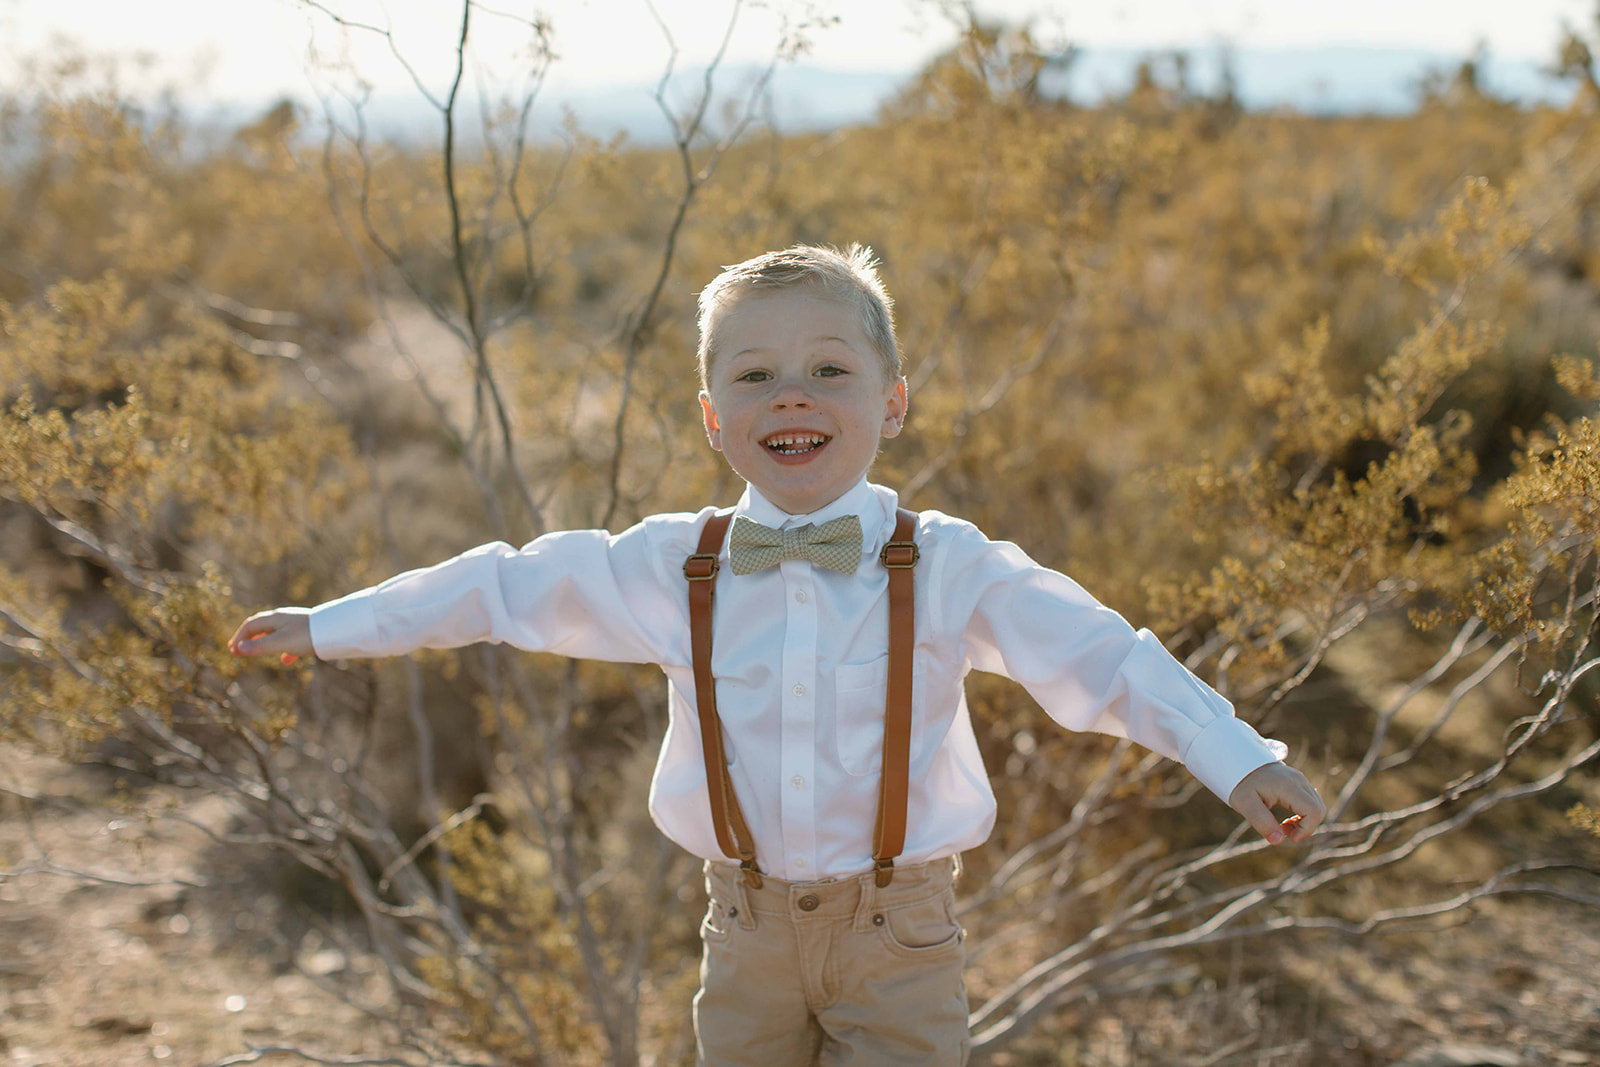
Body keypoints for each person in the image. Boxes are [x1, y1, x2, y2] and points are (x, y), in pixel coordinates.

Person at [229, 244, 1325, 1064]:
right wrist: (332, 623)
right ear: (714, 418)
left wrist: (1235, 755)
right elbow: (505, 584)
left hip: (901, 932)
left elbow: (1103, 657)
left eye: (828, 368)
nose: (792, 394)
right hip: (743, 926)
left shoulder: (947, 563)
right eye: (755, 376)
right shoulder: (673, 565)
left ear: (891, 403)